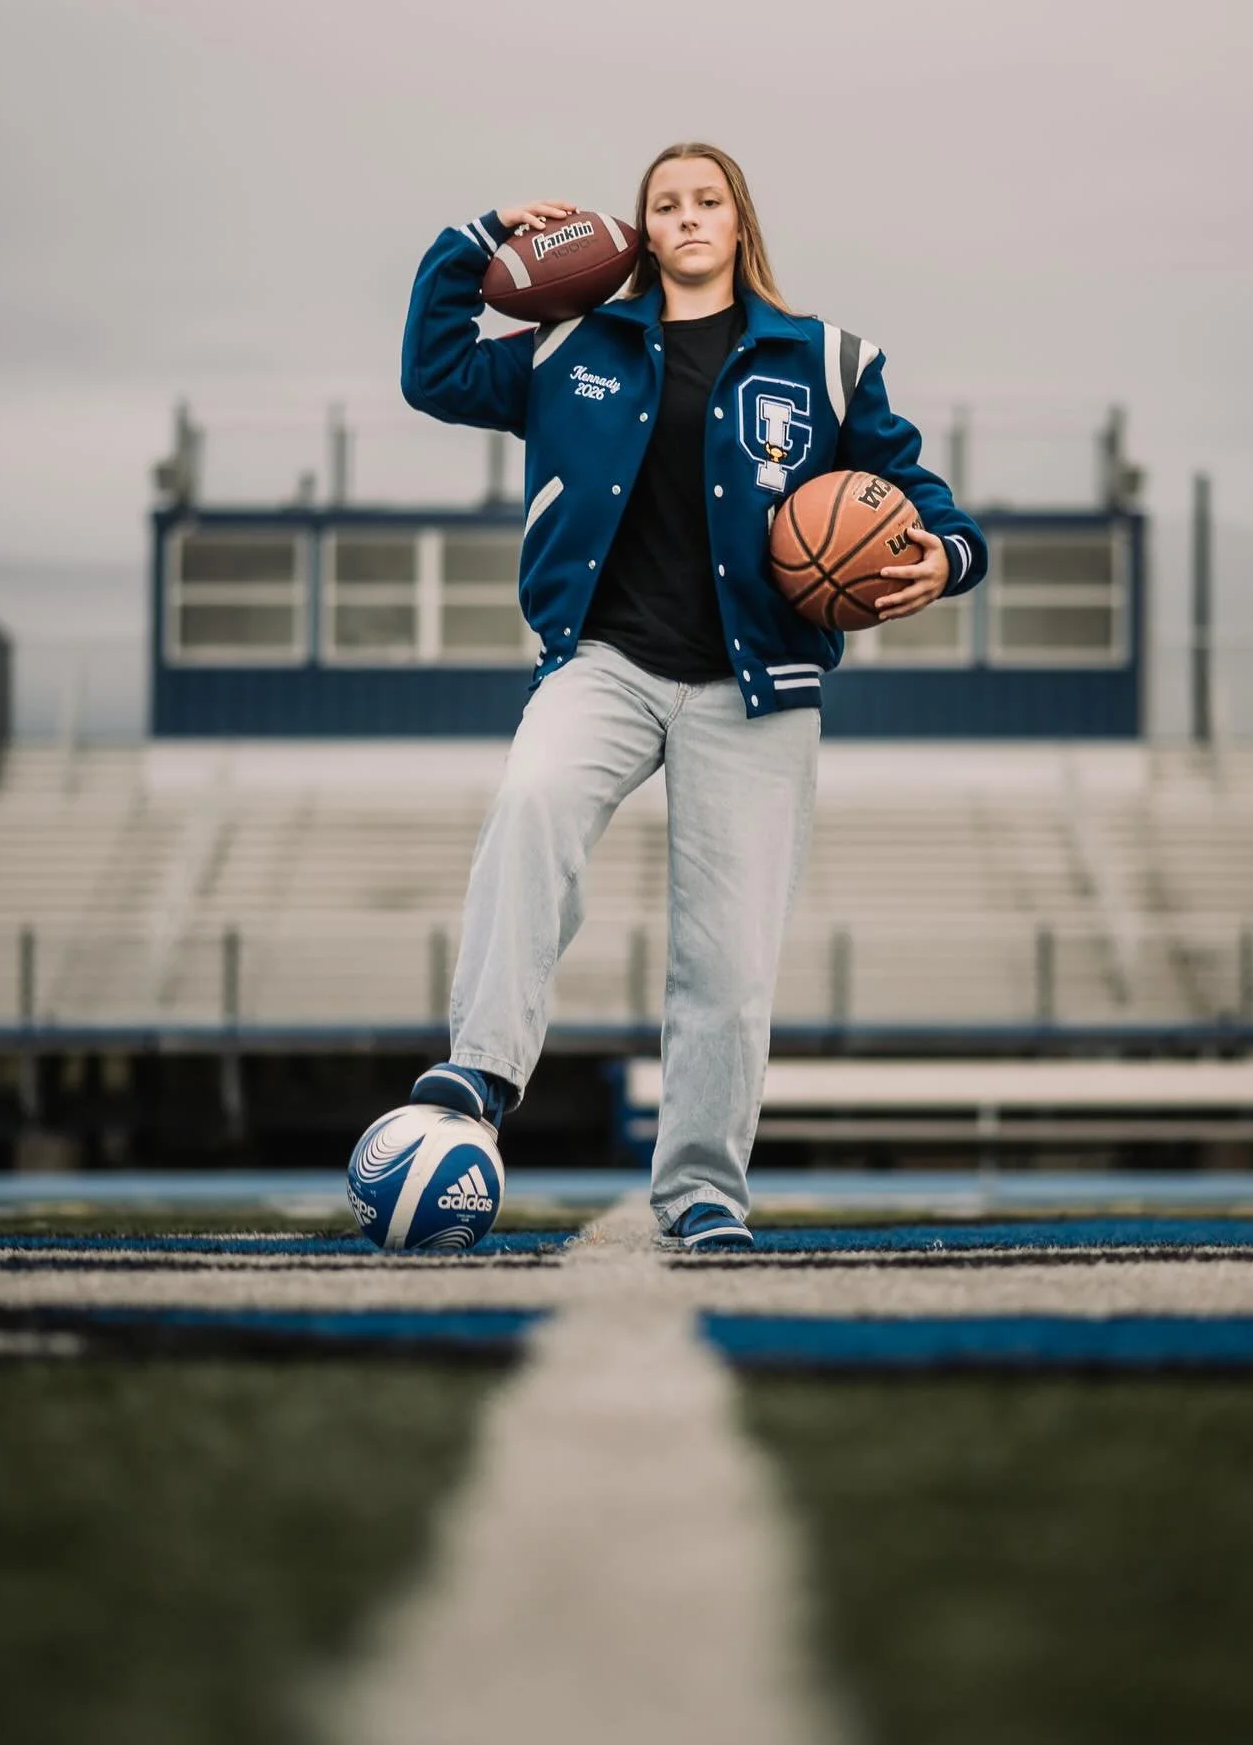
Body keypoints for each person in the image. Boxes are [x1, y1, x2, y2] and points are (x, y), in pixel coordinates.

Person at [398, 142, 987, 1250]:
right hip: (604, 661)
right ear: (642, 231)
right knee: (530, 803)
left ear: (739, 220)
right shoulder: (574, 343)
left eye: (706, 199)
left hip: (754, 686)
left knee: (727, 954)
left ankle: (703, 1193)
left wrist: (950, 554)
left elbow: (919, 492)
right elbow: (434, 374)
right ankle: (480, 1069)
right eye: (665, 205)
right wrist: (473, 244)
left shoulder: (826, 361)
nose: (687, 217)